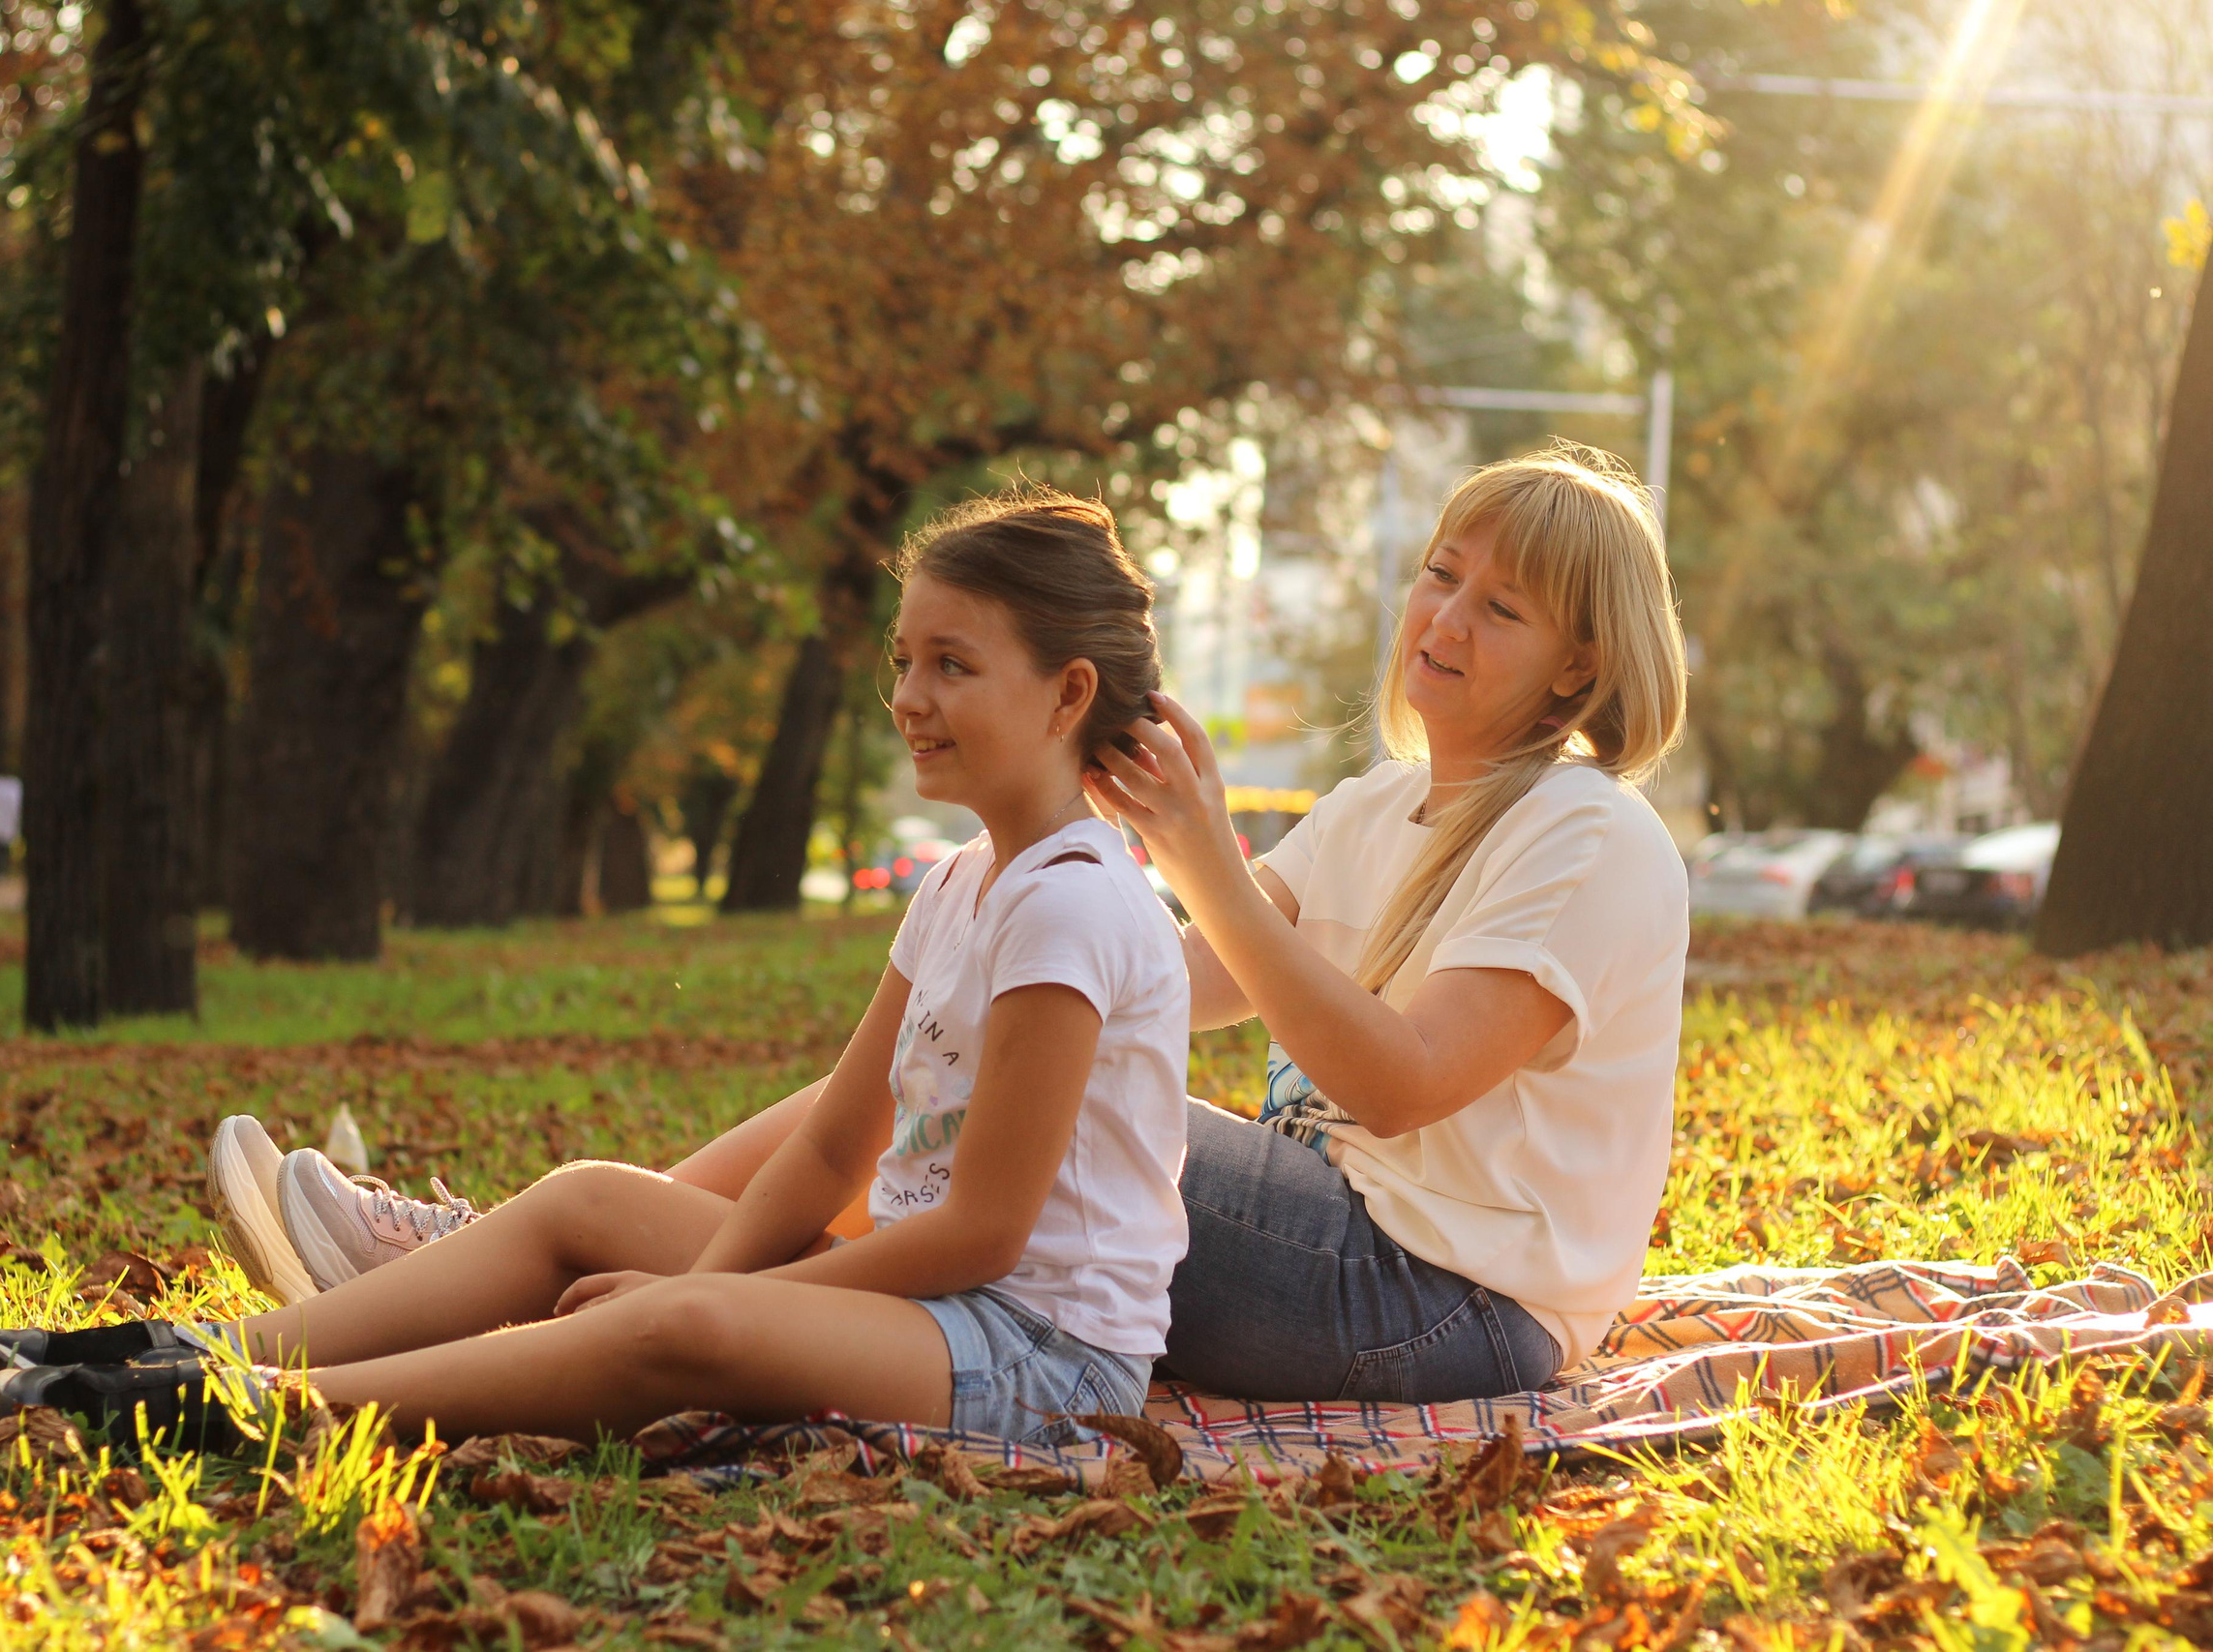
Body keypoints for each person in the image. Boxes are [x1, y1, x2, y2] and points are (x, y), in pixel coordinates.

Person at [214, 442, 1688, 1405]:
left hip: (1442, 1301)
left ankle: (534, 1275)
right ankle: (521, 1260)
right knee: (954, 1059)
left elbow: (1401, 1079)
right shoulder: (1386, 802)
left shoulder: (1591, 836)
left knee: (987, 1101)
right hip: (1331, 1242)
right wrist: (1037, 925)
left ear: (1579, 670)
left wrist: (1198, 852)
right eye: (1444, 571)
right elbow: (1183, 982)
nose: (1445, 614)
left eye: (1503, 609)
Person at [0, 489, 1193, 1450]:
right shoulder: (961, 882)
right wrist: (721, 1268)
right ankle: (194, 1347)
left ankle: (236, 1409)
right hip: (920, 1303)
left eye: (952, 666)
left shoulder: (1076, 907)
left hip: (1037, 1355)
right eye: (904, 658)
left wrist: (723, 1298)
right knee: (590, 1198)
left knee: (689, 1325)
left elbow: (980, 1232)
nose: (907, 696)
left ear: (1066, 693)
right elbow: (829, 1147)